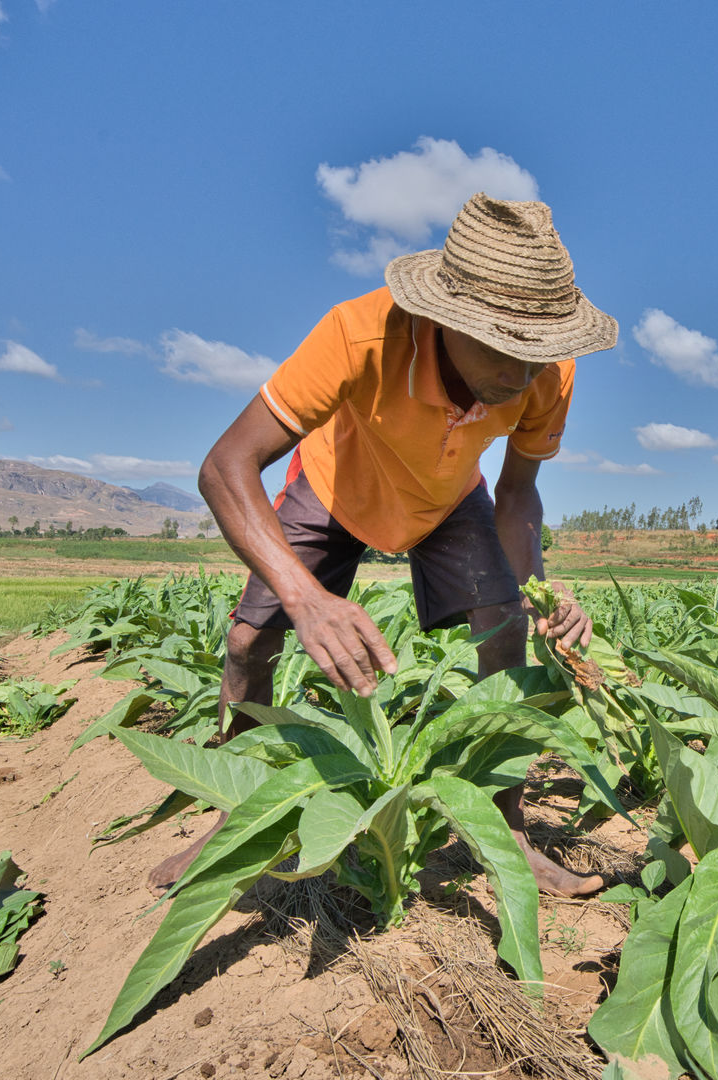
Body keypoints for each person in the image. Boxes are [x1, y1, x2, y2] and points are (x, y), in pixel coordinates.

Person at [149, 193, 616, 897]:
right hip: (338, 485)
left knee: (505, 630)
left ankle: (506, 825)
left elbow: (517, 495)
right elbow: (225, 465)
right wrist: (306, 599)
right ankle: (235, 816)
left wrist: (543, 594)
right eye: (506, 347)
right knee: (249, 643)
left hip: (449, 497)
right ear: (442, 318)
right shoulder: (359, 334)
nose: (523, 375)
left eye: (539, 351)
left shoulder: (547, 371)